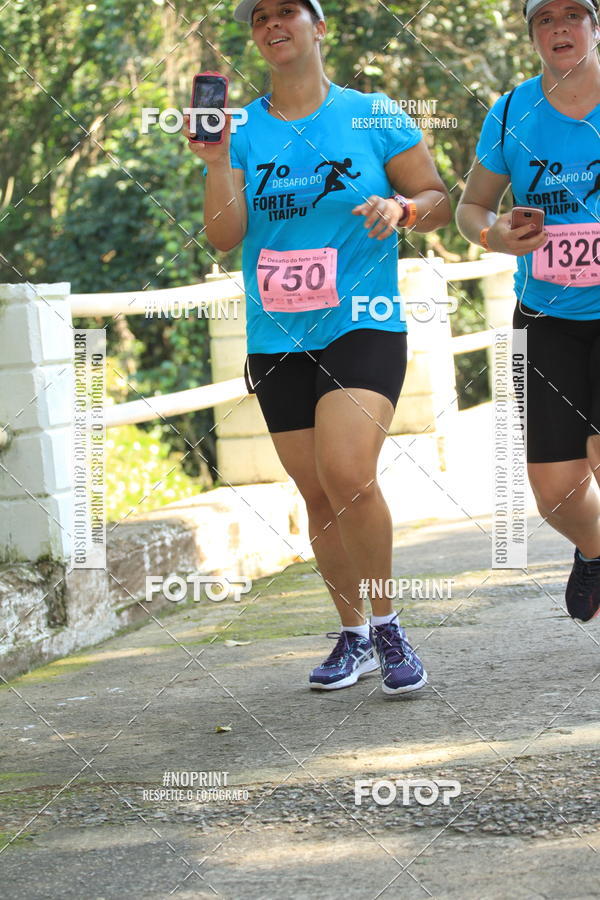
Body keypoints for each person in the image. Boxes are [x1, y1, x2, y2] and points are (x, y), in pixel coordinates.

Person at [185, 0, 451, 693]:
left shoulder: (370, 113)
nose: (273, 24)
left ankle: (389, 625)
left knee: (348, 471)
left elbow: (435, 193)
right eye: (259, 17)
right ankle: (353, 633)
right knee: (316, 490)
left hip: (363, 319)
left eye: (288, 12)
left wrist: (405, 209)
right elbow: (222, 235)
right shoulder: (241, 129)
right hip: (277, 335)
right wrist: (216, 163)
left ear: (319, 27)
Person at [457, 0, 600, 622]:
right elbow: (471, 209)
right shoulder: (513, 111)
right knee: (554, 492)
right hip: (545, 316)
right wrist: (493, 236)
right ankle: (594, 550)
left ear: (595, 26)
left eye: (574, 14)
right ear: (533, 34)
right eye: (545, 19)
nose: (560, 28)